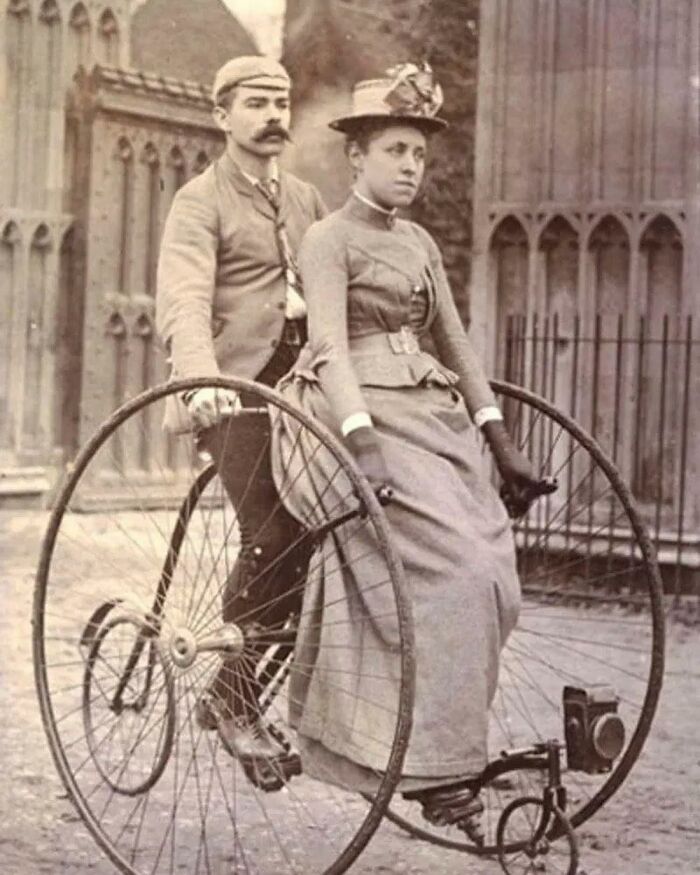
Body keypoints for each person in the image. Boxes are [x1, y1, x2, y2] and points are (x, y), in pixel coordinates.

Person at [270, 63, 554, 837]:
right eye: (395, 149)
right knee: (452, 573)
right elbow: (327, 346)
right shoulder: (328, 240)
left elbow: (457, 345)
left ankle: (447, 748)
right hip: (350, 415)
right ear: (355, 156)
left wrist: (501, 439)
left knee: (493, 571)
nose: (409, 167)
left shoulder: (421, 242)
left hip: (431, 419)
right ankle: (434, 770)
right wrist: (361, 443)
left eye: (419, 155)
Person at [155, 55, 327, 770]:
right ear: (221, 115)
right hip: (236, 392)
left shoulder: (310, 199)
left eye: (282, 102)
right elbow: (185, 297)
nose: (274, 116)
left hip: (305, 393)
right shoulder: (200, 200)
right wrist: (200, 381)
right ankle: (233, 697)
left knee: (329, 535)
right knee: (275, 530)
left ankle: (236, 688)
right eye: (257, 103)